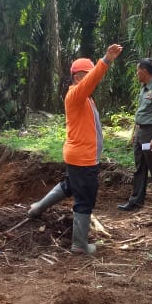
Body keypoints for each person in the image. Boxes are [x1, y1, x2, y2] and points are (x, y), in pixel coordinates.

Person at [26, 43, 124, 254]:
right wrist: (106, 60)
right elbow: (92, 79)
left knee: (69, 185)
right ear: (78, 77)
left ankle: (38, 207)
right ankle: (79, 244)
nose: (92, 80)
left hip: (79, 155)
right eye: (87, 76)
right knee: (85, 198)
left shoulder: (84, 98)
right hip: (83, 158)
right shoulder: (76, 95)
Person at [118, 58, 152, 211]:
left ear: (144, 71)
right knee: (139, 167)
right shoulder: (144, 88)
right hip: (141, 132)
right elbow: (141, 112)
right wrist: (135, 132)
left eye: (137, 71)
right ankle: (136, 201)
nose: (136, 74)